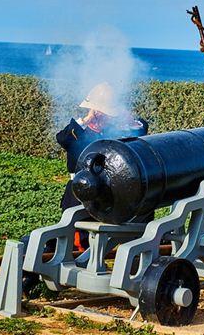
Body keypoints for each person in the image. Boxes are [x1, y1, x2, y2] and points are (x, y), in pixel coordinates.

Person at [56, 81, 148, 250]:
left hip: (108, 192)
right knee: (77, 241)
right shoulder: (78, 131)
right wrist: (87, 118)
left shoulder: (113, 131)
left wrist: (128, 119)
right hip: (80, 192)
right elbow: (62, 138)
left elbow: (141, 131)